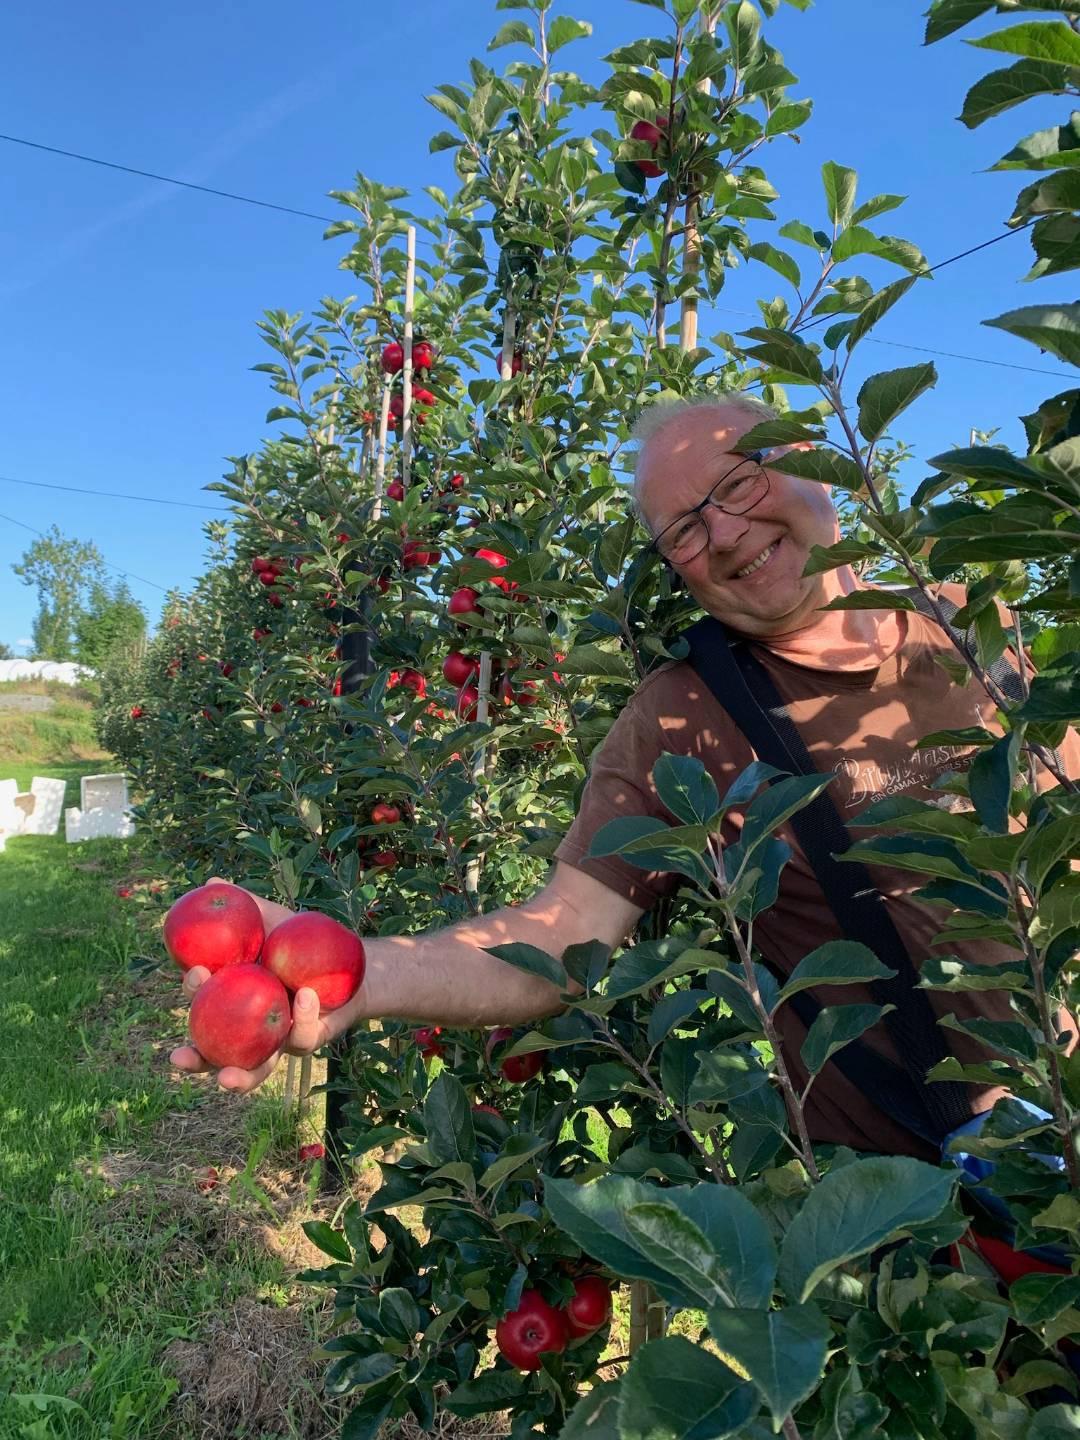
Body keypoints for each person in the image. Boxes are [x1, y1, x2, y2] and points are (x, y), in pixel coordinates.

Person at [171, 395, 1078, 1162]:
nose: (725, 533)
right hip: (923, 1206)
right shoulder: (677, 722)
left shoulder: (966, 621)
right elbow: (564, 937)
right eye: (684, 530)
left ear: (815, 462)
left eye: (739, 482)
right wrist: (364, 974)